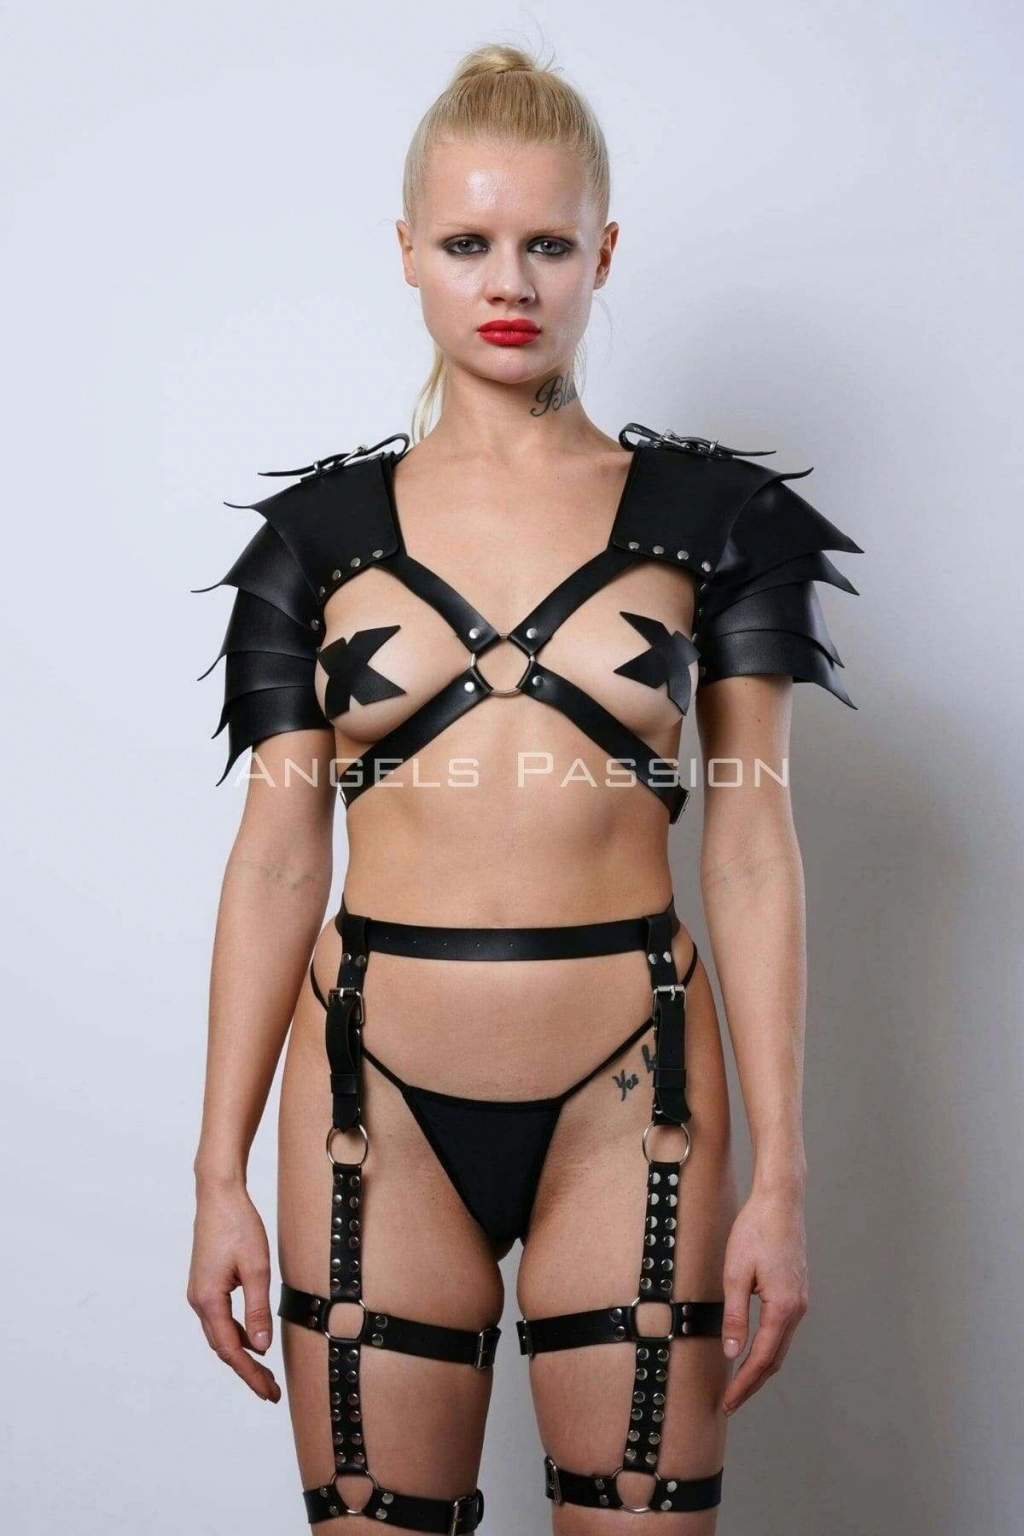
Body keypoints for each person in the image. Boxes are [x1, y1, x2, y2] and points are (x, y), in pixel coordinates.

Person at [187, 41, 863, 1534]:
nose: (512, 282)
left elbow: (753, 849)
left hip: (638, 1092)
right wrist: (215, 1175)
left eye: (549, 245)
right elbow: (279, 861)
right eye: (470, 243)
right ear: (407, 252)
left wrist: (783, 1181)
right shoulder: (313, 541)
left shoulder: (720, 523)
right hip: (367, 1095)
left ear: (603, 254)